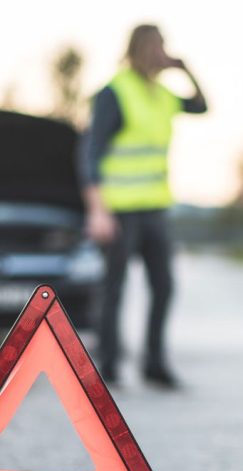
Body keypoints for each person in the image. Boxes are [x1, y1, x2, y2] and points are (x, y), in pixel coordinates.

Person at [78, 24, 207, 389]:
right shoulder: (114, 93)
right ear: (137, 49)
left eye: (163, 46)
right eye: (154, 47)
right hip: (118, 210)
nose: (159, 53)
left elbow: (201, 106)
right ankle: (108, 364)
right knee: (114, 287)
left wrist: (186, 70)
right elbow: (90, 153)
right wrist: (97, 210)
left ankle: (154, 362)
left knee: (164, 286)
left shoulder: (164, 95)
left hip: (154, 209)